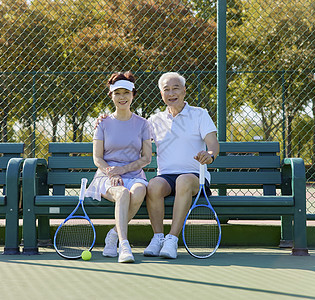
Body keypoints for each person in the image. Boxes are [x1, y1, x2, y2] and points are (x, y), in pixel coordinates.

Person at [144, 72, 219, 259]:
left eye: (175, 88)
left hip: (194, 176)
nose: (171, 93)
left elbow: (213, 144)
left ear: (184, 91)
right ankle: (158, 238)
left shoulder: (200, 114)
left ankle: (172, 239)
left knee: (183, 181)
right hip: (167, 176)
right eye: (166, 90)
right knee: (153, 185)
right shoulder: (154, 120)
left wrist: (209, 156)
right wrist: (105, 120)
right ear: (161, 94)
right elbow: (132, 134)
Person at [85, 71, 152, 263]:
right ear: (111, 96)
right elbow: (97, 158)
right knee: (122, 193)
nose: (122, 97)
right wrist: (110, 172)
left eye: (126, 93)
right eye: (117, 93)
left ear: (133, 95)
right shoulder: (102, 123)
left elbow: (146, 158)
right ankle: (124, 245)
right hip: (106, 176)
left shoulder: (143, 124)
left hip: (134, 175)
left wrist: (122, 170)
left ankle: (113, 234)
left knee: (139, 192)